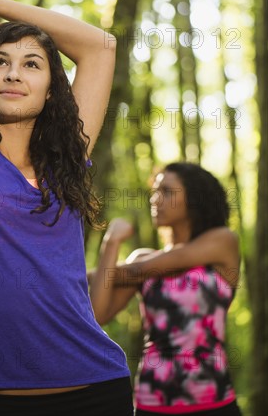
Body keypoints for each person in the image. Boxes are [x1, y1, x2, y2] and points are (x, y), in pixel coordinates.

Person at [0, 0, 134, 416]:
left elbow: (100, 46)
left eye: (32, 65)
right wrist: (11, 35)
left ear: (53, 90)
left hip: (98, 388)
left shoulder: (68, 159)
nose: (14, 74)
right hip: (4, 402)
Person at [89, 162, 243, 416]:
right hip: (153, 402)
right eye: (155, 191)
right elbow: (97, 314)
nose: (156, 199)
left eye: (168, 192)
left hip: (214, 402)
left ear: (194, 199)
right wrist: (111, 242)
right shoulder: (144, 258)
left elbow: (137, 270)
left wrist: (84, 276)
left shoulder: (222, 242)